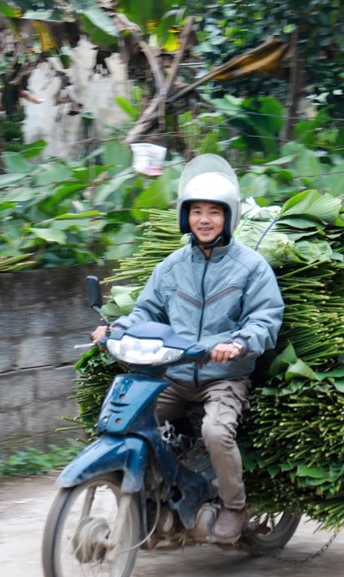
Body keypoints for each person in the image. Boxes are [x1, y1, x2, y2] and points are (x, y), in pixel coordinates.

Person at [90, 155, 284, 543]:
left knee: (215, 431)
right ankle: (149, 498)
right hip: (174, 374)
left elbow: (265, 318)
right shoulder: (171, 266)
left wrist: (239, 343)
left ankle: (234, 504)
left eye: (215, 211)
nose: (205, 219)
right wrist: (115, 328)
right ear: (186, 217)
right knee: (129, 420)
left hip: (223, 377)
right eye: (197, 211)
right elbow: (145, 310)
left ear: (228, 217)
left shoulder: (252, 267)